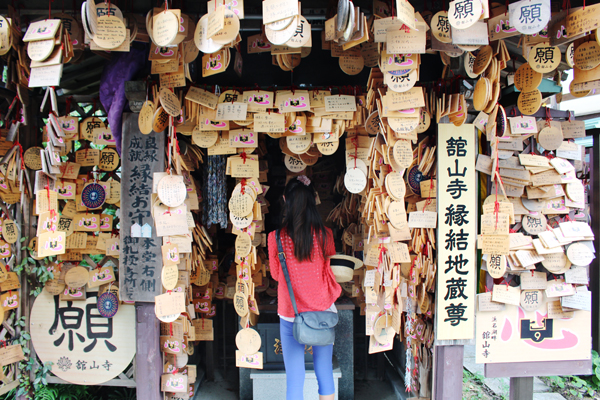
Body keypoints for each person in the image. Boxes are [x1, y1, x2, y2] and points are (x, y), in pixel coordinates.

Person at [268, 175, 341, 400]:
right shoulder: (325, 234)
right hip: (323, 311)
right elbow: (333, 268)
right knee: (324, 371)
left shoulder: (275, 238)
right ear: (313, 201)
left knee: (295, 377)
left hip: (292, 314)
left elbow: (276, 274)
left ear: (284, 200)